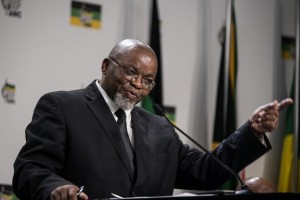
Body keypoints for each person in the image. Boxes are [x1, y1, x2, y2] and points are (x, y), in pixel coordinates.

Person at [12, 39, 293, 200]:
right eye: (131, 72)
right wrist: (54, 189)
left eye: (147, 81)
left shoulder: (158, 126)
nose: (138, 85)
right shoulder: (62, 106)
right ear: (106, 66)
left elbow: (207, 171)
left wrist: (252, 132)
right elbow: (30, 168)